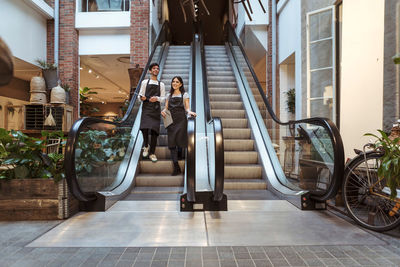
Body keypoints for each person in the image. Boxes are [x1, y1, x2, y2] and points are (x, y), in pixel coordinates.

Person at [161, 76, 196, 175]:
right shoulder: (168, 95)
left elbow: (187, 108)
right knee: (172, 144)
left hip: (181, 120)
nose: (175, 83)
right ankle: (176, 167)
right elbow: (166, 108)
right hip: (171, 121)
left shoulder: (185, 95)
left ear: (180, 84)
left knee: (180, 140)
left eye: (177, 82)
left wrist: (190, 112)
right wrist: (163, 111)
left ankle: (180, 153)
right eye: (173, 82)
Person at [138, 63, 165, 162]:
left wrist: (157, 98)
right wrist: (142, 97)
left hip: (156, 109)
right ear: (150, 71)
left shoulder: (161, 84)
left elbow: (163, 98)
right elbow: (140, 95)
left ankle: (152, 153)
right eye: (154, 68)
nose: (156, 70)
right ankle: (146, 145)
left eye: (157, 68)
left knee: (154, 131)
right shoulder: (145, 82)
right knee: (144, 128)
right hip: (146, 108)